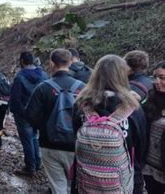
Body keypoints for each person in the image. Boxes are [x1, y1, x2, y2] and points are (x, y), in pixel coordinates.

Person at [72, 55, 146, 193]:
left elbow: (75, 137)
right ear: (123, 76)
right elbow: (141, 148)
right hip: (124, 182)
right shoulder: (133, 107)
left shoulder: (81, 105)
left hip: (85, 180)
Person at [25, 49, 85, 194]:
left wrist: (45, 127)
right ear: (70, 63)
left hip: (49, 144)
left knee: (58, 186)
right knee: (75, 186)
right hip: (77, 145)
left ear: (51, 63)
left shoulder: (43, 88)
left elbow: (30, 116)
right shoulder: (83, 88)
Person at [10, 51, 48, 176]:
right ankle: (37, 163)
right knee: (35, 137)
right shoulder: (43, 75)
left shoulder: (19, 77)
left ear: (21, 61)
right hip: (39, 113)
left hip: (23, 114)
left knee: (27, 140)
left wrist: (15, 112)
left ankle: (30, 167)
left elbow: (15, 98)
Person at [142, 61, 165, 193]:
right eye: (155, 77)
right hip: (150, 166)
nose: (157, 81)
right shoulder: (150, 97)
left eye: (162, 78)